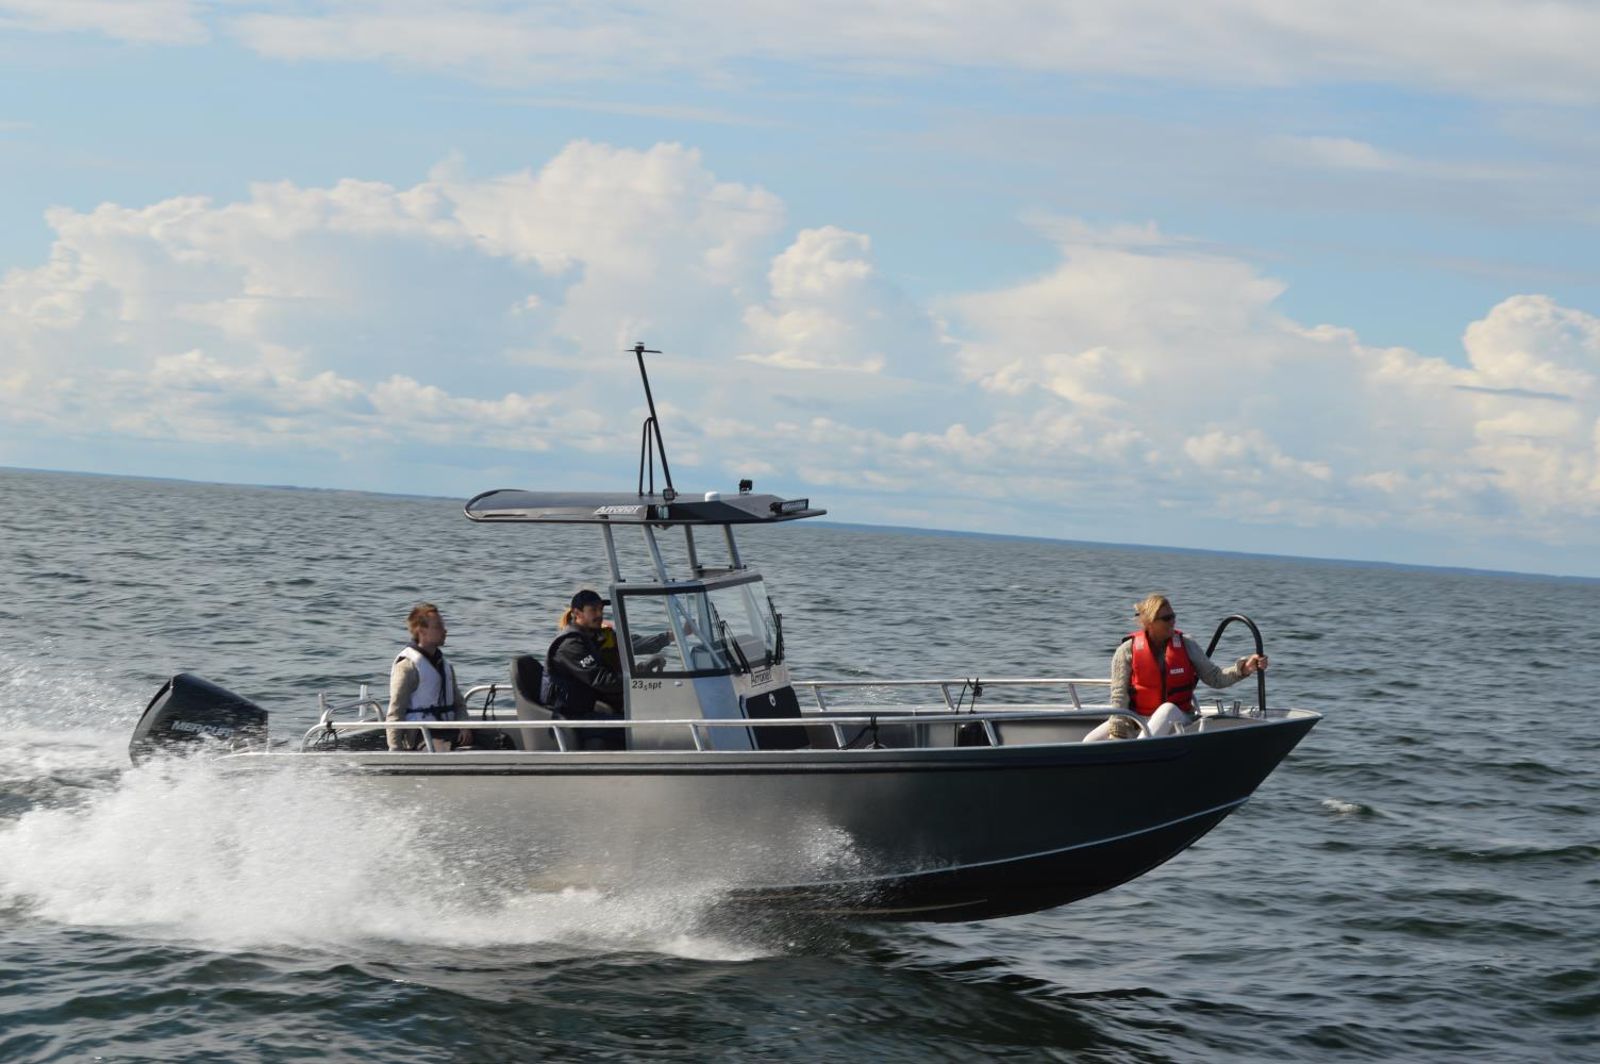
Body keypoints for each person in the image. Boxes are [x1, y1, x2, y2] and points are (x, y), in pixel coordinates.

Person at [1085, 593, 1267, 741]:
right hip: (1137, 720)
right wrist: (1117, 732)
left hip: (1179, 718)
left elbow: (1215, 677)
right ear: (1149, 622)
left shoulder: (1187, 645)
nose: (1173, 621)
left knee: (1167, 709)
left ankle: (1135, 751)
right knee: (1090, 742)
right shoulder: (1126, 650)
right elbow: (1119, 695)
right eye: (1166, 618)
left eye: (1173, 616)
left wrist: (1244, 668)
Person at [543, 588, 675, 750]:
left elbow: (630, 644)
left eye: (601, 609)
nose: (599, 614)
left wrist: (671, 636)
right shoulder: (571, 645)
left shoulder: (593, 637)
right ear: (577, 613)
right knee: (640, 728)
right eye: (593, 610)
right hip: (568, 718)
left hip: (585, 711)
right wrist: (636, 679)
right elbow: (602, 680)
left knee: (644, 717)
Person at [386, 603, 472, 751]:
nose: (444, 630)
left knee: (500, 740)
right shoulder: (407, 666)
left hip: (448, 730)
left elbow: (459, 704)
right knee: (449, 750)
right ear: (422, 631)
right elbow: (396, 711)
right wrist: (395, 750)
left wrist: (463, 726)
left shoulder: (445, 665)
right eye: (438, 626)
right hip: (422, 735)